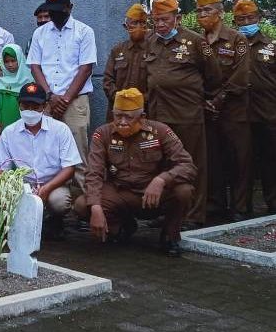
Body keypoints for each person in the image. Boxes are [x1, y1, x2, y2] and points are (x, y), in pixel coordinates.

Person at [77, 89, 197, 257]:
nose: (122, 122)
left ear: (142, 117)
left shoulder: (160, 131)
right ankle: (122, 226)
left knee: (183, 191)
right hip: (120, 192)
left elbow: (187, 165)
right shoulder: (102, 134)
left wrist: (162, 180)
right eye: (118, 116)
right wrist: (96, 207)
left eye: (128, 117)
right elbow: (93, 173)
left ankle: (170, 236)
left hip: (152, 195)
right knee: (83, 205)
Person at [144, 0, 220, 228]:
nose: (160, 24)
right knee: (164, 164)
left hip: (187, 114)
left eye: (165, 19)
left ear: (177, 18)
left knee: (192, 164)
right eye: (156, 20)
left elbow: (214, 76)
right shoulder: (150, 41)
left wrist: (201, 99)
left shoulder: (195, 42)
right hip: (159, 115)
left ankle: (193, 215)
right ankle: (168, 212)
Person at [0, 83, 81, 237]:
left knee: (59, 202)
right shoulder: (10, 132)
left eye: (35, 107)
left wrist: (47, 188)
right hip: (22, 184)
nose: (30, 111)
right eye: (25, 106)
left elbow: (69, 168)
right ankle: (12, 223)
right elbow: (0, 168)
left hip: (52, 184)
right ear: (19, 105)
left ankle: (53, 220)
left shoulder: (60, 130)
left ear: (45, 106)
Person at [27, 0, 97, 193]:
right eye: (51, 10)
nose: (54, 14)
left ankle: (81, 202)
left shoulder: (84, 31)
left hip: (75, 101)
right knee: (46, 152)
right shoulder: (39, 33)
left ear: (70, 7)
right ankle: (49, 200)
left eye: (59, 10)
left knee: (78, 153)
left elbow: (86, 68)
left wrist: (65, 99)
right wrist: (50, 96)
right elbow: (35, 66)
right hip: (47, 101)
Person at [233, 0, 276, 214]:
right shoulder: (231, 46)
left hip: (271, 114)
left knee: (274, 161)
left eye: (250, 18)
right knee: (242, 164)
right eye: (241, 19)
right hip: (240, 116)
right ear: (235, 21)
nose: (246, 22)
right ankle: (242, 207)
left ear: (259, 18)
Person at [196, 0, 251, 221]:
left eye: (207, 10)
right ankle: (214, 204)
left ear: (220, 13)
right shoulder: (197, 41)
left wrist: (219, 99)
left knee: (239, 159)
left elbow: (241, 75)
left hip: (233, 109)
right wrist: (203, 100)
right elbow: (192, 74)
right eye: (199, 11)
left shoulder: (236, 39)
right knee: (212, 159)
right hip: (207, 110)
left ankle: (240, 207)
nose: (202, 15)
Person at [103, 3, 149, 118]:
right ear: (126, 26)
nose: (138, 26)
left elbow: (157, 83)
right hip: (118, 111)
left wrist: (139, 101)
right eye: (134, 23)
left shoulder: (153, 50)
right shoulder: (117, 50)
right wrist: (121, 100)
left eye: (142, 23)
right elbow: (108, 80)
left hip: (144, 111)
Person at [0, 44, 33, 131]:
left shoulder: (30, 80)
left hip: (24, 126)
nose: (10, 65)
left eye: (13, 61)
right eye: (6, 61)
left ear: (20, 59)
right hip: (2, 125)